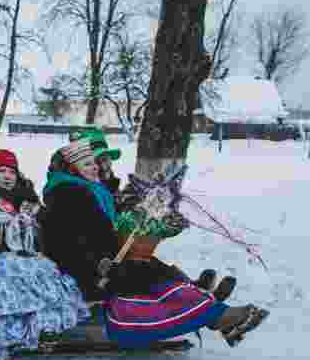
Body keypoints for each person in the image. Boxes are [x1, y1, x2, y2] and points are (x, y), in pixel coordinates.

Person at [41, 139, 268, 348]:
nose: (95, 168)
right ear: (72, 169)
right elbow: (69, 244)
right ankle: (214, 314)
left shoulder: (87, 191)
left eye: (94, 163)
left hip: (102, 261)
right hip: (86, 272)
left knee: (152, 269)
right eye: (87, 164)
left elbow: (103, 231)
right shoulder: (68, 195)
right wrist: (101, 265)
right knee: (150, 274)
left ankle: (212, 310)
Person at [0, 149, 90, 360]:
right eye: (1, 171)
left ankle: (43, 328)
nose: (7, 176)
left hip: (29, 255)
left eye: (12, 172)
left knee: (44, 274)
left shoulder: (27, 200)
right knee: (12, 278)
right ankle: (12, 334)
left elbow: (47, 228)